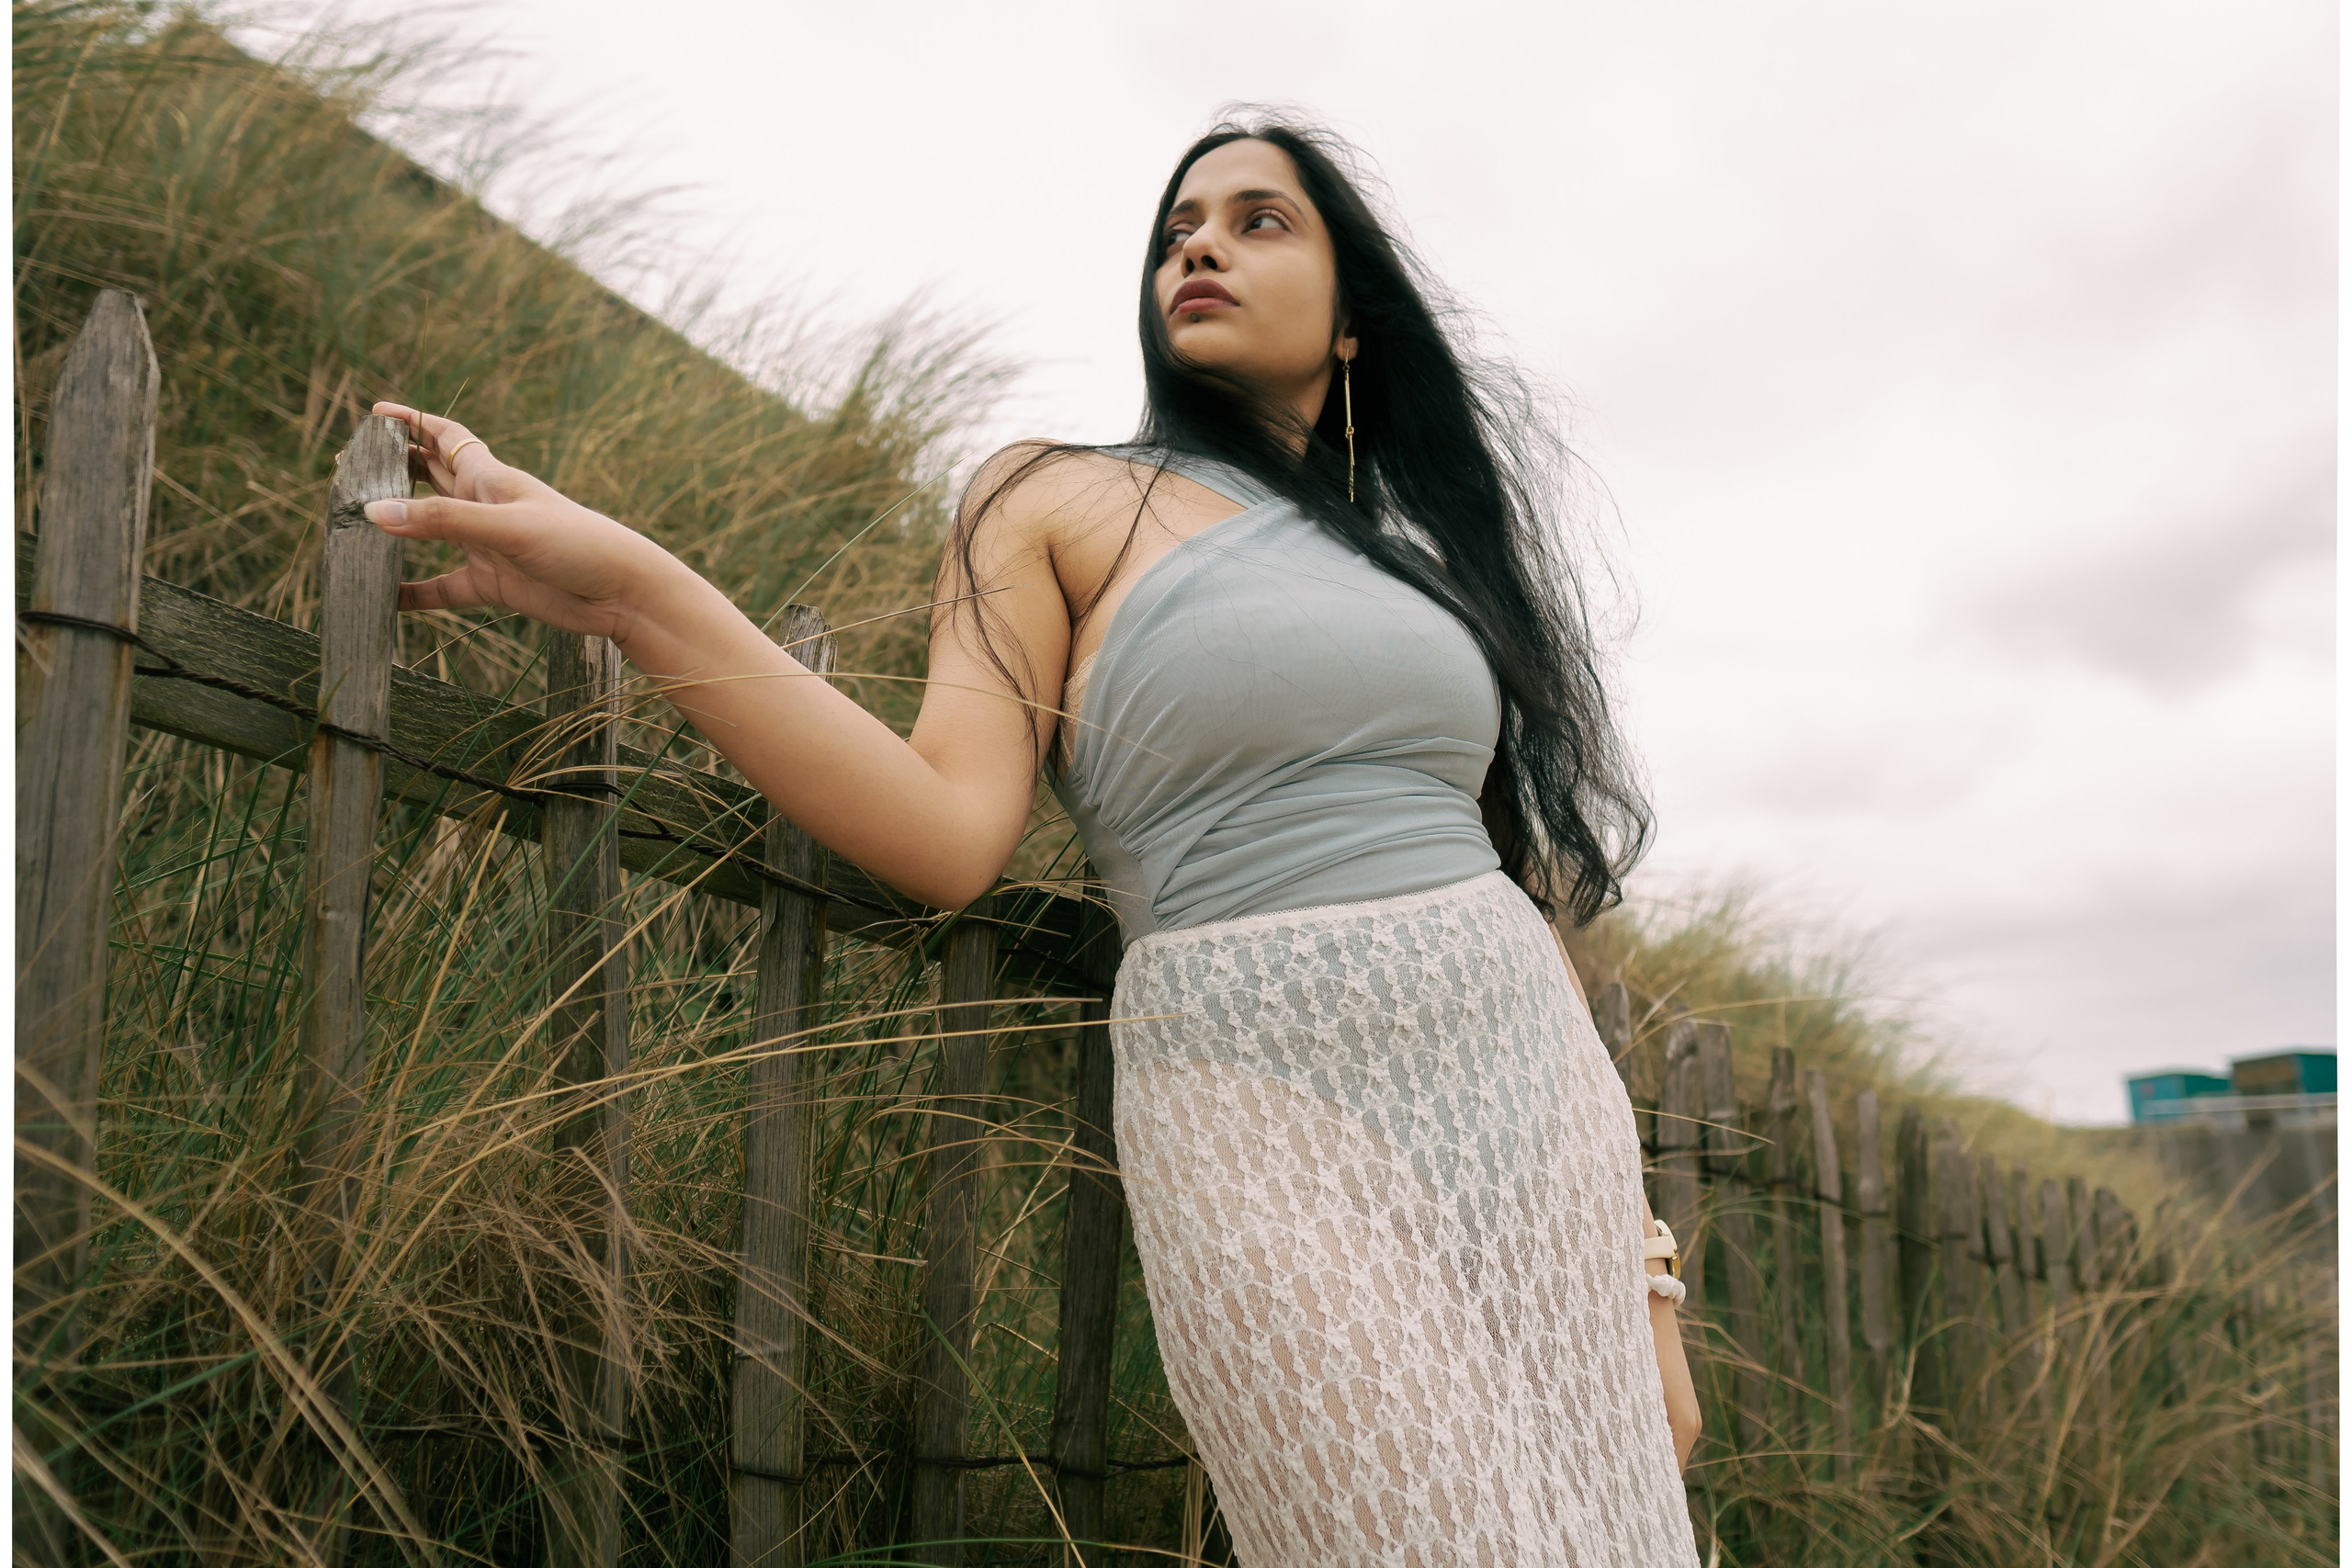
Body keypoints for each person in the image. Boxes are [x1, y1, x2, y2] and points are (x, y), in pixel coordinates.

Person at [367, 116, 1704, 1566]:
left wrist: (1642, 1280)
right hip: (1258, 1100)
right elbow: (946, 831)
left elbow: (1513, 899)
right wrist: (637, 591)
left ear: (1356, 320)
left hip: (1524, 1101)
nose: (1200, 244)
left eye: (1262, 221)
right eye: (1180, 228)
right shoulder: (1053, 497)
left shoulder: (1430, 566)